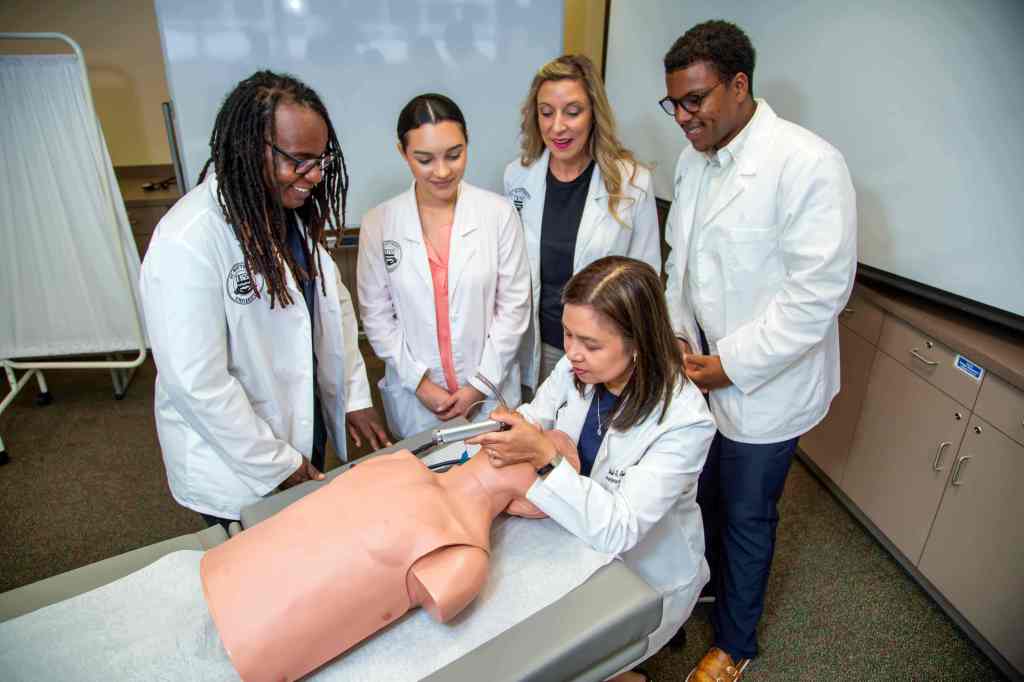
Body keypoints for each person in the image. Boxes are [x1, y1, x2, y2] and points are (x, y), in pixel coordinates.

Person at [659, 21, 857, 681]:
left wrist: (729, 365)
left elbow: (815, 296)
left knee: (746, 512)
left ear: (740, 85)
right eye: (675, 104)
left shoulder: (808, 164)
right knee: (703, 493)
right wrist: (679, 332)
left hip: (763, 385)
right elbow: (676, 264)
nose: (683, 117)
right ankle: (707, 594)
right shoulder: (693, 161)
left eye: (695, 100)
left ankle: (736, 643)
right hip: (700, 371)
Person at [140, 70, 389, 528]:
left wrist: (354, 395)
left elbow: (330, 311)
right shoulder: (188, 239)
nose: (314, 175)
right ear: (249, 149)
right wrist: (279, 465)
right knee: (255, 576)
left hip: (298, 430)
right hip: (236, 466)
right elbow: (197, 384)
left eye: (321, 160)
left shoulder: (287, 213)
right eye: (299, 160)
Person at [469, 256, 717, 682]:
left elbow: (619, 527)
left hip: (645, 572)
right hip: (576, 537)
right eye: (567, 334)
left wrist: (544, 456)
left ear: (638, 340)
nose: (571, 353)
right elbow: (536, 414)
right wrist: (511, 429)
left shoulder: (684, 421)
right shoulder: (576, 367)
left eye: (590, 343)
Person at [201, 445, 578, 682]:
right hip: (257, 644)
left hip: (229, 576)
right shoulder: (466, 556)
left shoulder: (399, 463)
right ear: (529, 506)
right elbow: (443, 604)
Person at [358, 93, 530, 439]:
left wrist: (477, 388)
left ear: (468, 143)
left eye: (454, 155)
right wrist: (421, 384)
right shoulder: (379, 223)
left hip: (488, 396)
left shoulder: (498, 215)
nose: (442, 171)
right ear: (402, 153)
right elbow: (377, 317)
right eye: (425, 159)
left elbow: (513, 309)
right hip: (417, 400)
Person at [505, 54, 662, 391]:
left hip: (604, 351)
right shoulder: (518, 176)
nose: (557, 126)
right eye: (546, 112)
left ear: (594, 114)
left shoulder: (632, 181)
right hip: (539, 345)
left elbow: (646, 277)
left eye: (572, 112)